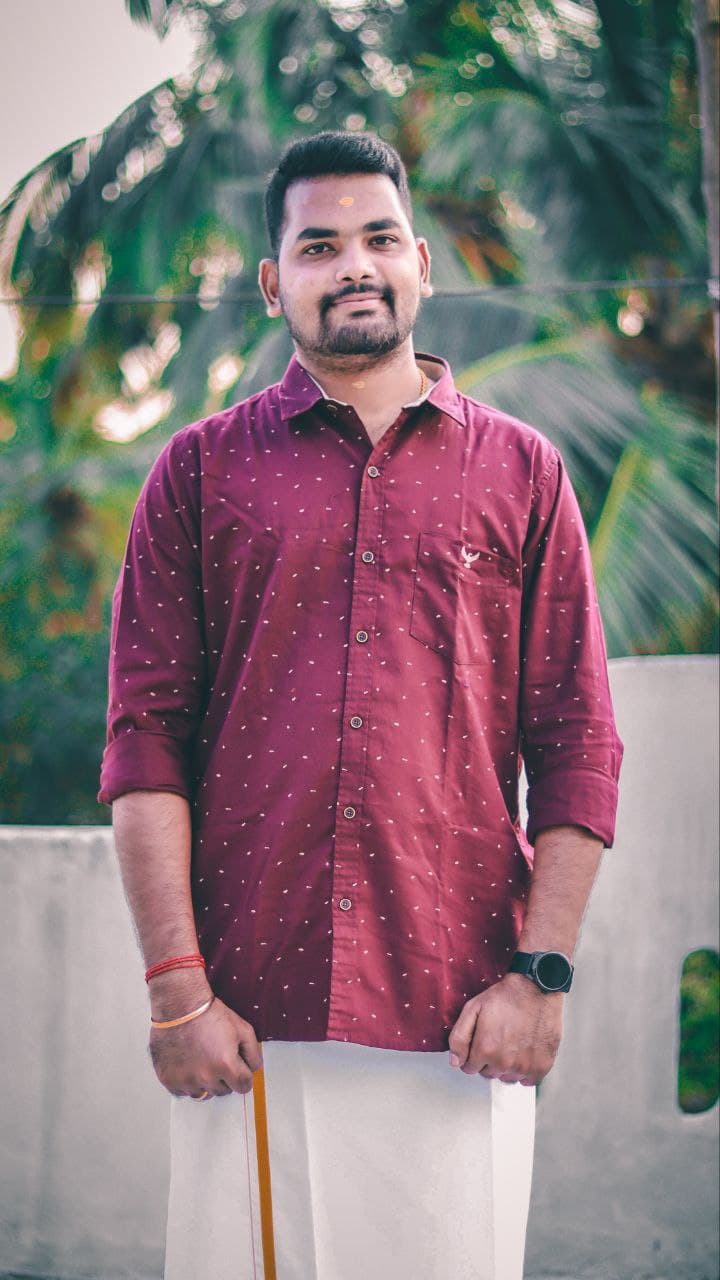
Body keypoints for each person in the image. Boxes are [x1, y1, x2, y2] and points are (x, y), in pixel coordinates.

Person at [98, 130, 624, 1280]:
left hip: (462, 1013)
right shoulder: (199, 472)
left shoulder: (524, 474)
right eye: (318, 246)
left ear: (421, 262)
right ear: (271, 280)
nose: (354, 266)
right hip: (245, 1012)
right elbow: (145, 743)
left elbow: (578, 740)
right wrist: (176, 989)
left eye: (379, 238)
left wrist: (540, 977)